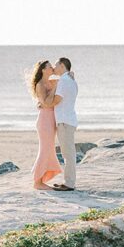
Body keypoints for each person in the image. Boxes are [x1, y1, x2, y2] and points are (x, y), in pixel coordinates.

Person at [29, 60, 62, 190]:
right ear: (43, 69)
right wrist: (54, 87)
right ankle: (37, 182)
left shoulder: (50, 81)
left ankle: (41, 180)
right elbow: (47, 103)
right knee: (44, 150)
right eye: (49, 67)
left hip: (51, 119)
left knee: (49, 150)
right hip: (44, 120)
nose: (52, 68)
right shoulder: (40, 84)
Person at [51, 57, 79, 192]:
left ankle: (69, 183)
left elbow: (57, 100)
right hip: (69, 120)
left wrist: (44, 103)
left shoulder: (64, 80)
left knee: (68, 154)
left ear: (62, 66)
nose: (54, 68)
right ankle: (68, 181)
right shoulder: (70, 80)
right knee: (68, 153)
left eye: (56, 65)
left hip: (65, 121)